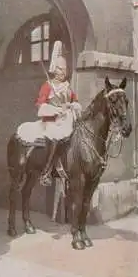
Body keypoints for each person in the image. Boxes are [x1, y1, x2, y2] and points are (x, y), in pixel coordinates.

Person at [36, 41, 82, 186]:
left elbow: (76, 102)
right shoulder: (47, 86)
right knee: (56, 137)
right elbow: (40, 107)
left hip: (67, 120)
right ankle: (46, 171)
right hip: (51, 122)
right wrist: (56, 110)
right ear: (54, 70)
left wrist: (72, 105)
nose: (63, 72)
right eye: (60, 69)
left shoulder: (68, 87)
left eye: (65, 69)